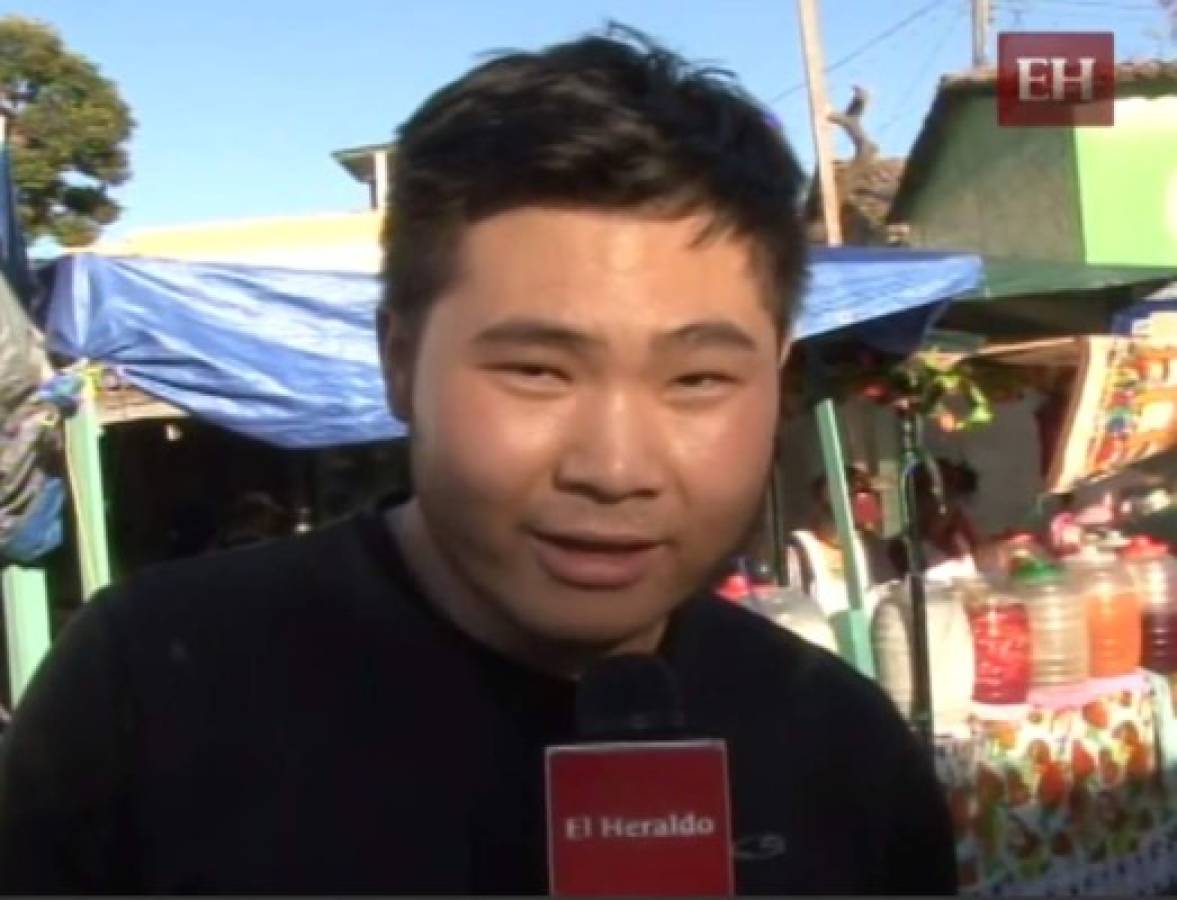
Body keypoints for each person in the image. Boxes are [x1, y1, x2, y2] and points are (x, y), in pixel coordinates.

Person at [0, 27, 956, 895]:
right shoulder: (145, 694)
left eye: (698, 379)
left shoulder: (842, 745)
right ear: (400, 360)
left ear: (775, 382)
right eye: (537, 371)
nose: (616, 467)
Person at [785, 467, 897, 617]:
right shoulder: (799, 549)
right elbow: (794, 609)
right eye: (864, 495)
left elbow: (889, 596)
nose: (871, 505)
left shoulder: (871, 546)